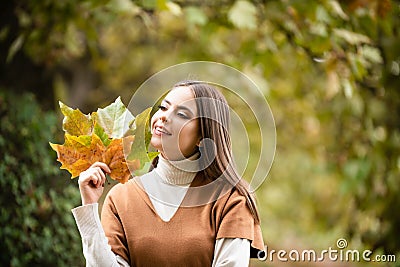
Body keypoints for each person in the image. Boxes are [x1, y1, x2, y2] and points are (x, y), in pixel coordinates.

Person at [72, 80, 265, 266]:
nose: (164, 116)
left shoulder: (231, 199)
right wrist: (89, 207)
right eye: (163, 108)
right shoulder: (121, 198)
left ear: (202, 136)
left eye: (182, 114)